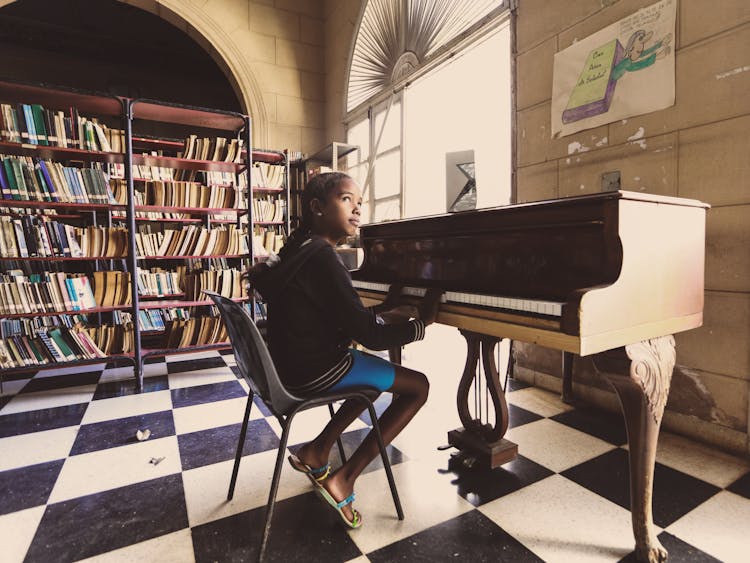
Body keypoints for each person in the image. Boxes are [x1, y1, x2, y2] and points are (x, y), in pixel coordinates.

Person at [248, 171, 442, 529]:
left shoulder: (301, 248)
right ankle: (345, 478)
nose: (357, 210)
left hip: (289, 367)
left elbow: (334, 313)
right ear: (318, 208)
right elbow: (371, 338)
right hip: (318, 371)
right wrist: (420, 324)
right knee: (418, 387)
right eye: (346, 200)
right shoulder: (323, 256)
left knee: (372, 377)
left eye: (360, 203)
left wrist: (382, 310)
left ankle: (316, 450)